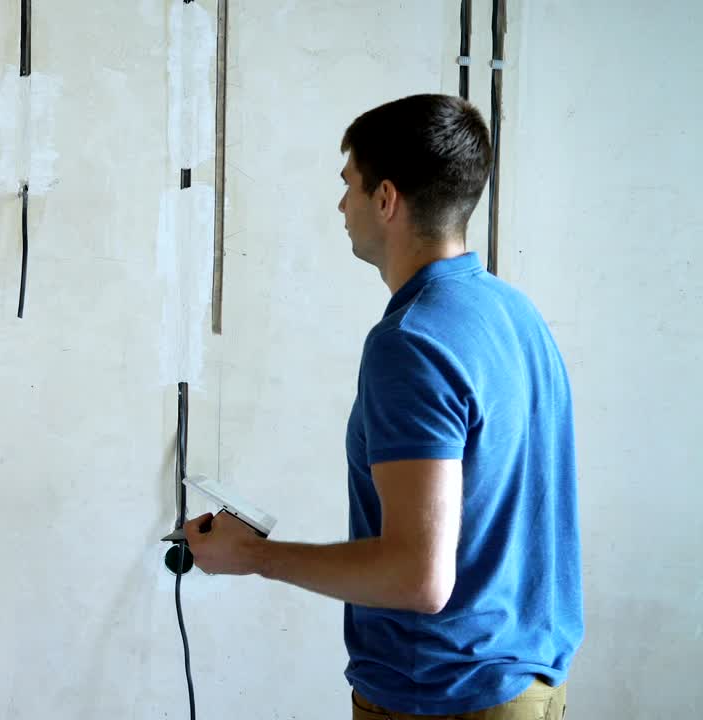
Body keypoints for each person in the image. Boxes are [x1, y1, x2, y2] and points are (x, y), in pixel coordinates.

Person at [185, 95, 583, 719]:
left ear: (386, 200)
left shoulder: (411, 343)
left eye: (349, 185)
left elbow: (417, 578)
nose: (341, 206)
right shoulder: (514, 313)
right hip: (524, 684)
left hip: (444, 699)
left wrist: (252, 556)